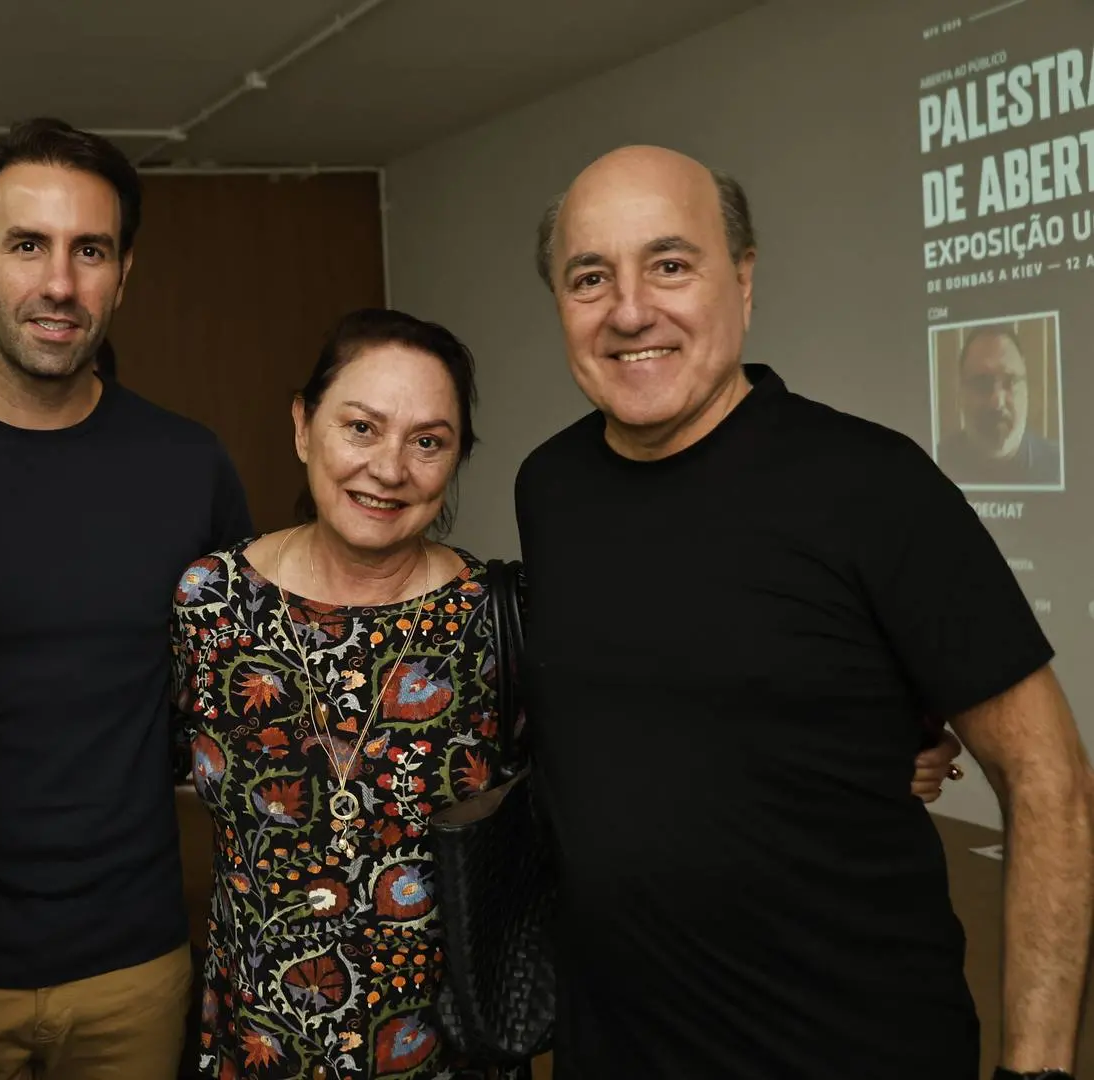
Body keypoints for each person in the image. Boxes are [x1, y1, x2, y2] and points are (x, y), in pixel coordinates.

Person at [170, 307, 965, 1080]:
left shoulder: (502, 617)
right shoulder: (210, 601)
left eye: (429, 441)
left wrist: (876, 749)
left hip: (452, 1049)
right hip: (259, 1040)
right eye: (361, 427)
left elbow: (677, 728)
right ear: (303, 425)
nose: (389, 467)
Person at [519, 145, 1094, 1079]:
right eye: (590, 277)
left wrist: (1038, 1074)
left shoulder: (874, 486)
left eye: (670, 265)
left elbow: (1049, 781)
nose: (629, 310)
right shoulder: (549, 487)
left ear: (743, 281)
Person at [0, 118, 251, 1079]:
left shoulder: (187, 463)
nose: (60, 284)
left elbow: (236, 687)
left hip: (134, 961)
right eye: (27, 245)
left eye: (91, 250)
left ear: (124, 273)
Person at [937, 325, 1061, 487]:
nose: (997, 402)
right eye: (982, 383)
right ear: (960, 394)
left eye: (1010, 381)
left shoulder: (1060, 468)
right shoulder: (933, 464)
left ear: (1026, 390)